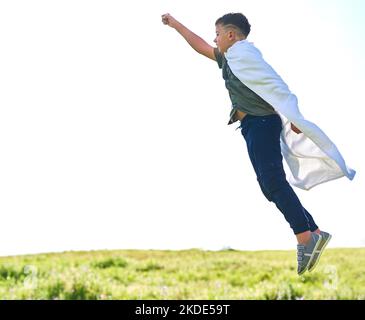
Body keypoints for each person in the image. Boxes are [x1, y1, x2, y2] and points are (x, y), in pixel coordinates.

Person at [161, 12, 354, 275]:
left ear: (231, 35)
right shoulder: (230, 59)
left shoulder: (244, 54)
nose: (214, 39)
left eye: (217, 34)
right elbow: (201, 47)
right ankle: (315, 232)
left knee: (272, 182)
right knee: (269, 185)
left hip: (261, 123)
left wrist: (293, 114)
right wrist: (176, 25)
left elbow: (276, 85)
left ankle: (305, 238)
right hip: (253, 126)